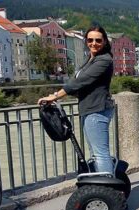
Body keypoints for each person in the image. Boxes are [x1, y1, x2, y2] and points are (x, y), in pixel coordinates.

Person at [38, 24, 115, 177]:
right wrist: (58, 95)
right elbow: (80, 85)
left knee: (100, 153)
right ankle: (105, 186)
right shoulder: (90, 60)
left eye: (98, 40)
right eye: (90, 40)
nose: (94, 43)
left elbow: (80, 82)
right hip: (89, 108)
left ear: (105, 41)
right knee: (95, 152)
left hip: (97, 110)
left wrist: (55, 96)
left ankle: (109, 189)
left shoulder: (104, 60)